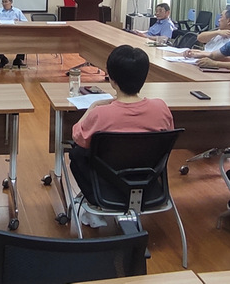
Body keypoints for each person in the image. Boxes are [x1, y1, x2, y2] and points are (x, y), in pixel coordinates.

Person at [69, 45, 174, 216]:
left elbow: (78, 137)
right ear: (144, 77)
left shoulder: (101, 113)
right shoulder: (161, 108)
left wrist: (92, 107)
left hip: (107, 188)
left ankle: (94, 205)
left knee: (76, 154)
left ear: (111, 79)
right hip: (148, 185)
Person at [0, 0, 27, 68]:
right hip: (1, 34)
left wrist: (18, 22)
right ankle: (3, 59)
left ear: (11, 2)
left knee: (24, 39)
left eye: (6, 2)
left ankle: (18, 59)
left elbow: (25, 22)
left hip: (16, 34)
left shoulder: (17, 11)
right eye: (3, 2)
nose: (4, 4)